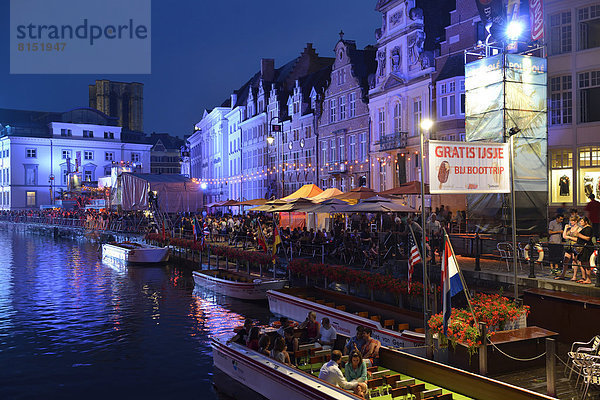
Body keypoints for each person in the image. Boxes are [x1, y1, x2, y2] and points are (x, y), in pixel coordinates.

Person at [557, 215, 582, 281]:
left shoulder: (579, 228)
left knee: (574, 261)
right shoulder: (569, 228)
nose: (571, 222)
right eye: (570, 221)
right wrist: (565, 228)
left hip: (575, 246)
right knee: (565, 260)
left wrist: (569, 237)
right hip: (568, 246)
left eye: (572, 221)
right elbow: (564, 236)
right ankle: (562, 275)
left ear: (576, 221)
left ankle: (574, 276)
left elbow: (578, 239)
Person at [575, 217, 594, 284]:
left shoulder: (588, 228)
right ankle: (584, 277)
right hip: (582, 247)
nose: (580, 223)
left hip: (586, 248)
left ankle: (588, 279)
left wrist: (579, 235)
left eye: (582, 221)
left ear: (586, 222)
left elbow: (587, 238)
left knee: (586, 263)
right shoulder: (585, 228)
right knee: (582, 263)